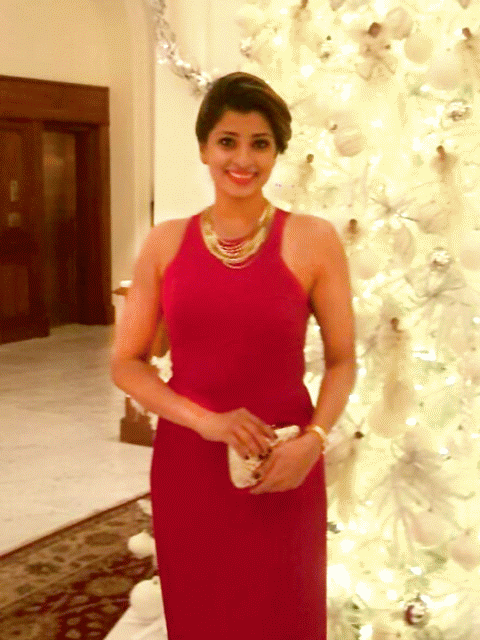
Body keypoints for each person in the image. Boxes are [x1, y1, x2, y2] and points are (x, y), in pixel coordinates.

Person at [111, 72, 355, 640]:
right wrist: (208, 422)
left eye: (259, 143)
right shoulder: (165, 242)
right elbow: (127, 362)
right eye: (227, 141)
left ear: (276, 152)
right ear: (204, 148)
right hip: (188, 466)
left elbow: (343, 360)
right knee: (203, 615)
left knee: (284, 614)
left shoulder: (313, 239)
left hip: (282, 464)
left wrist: (313, 442)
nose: (243, 159)